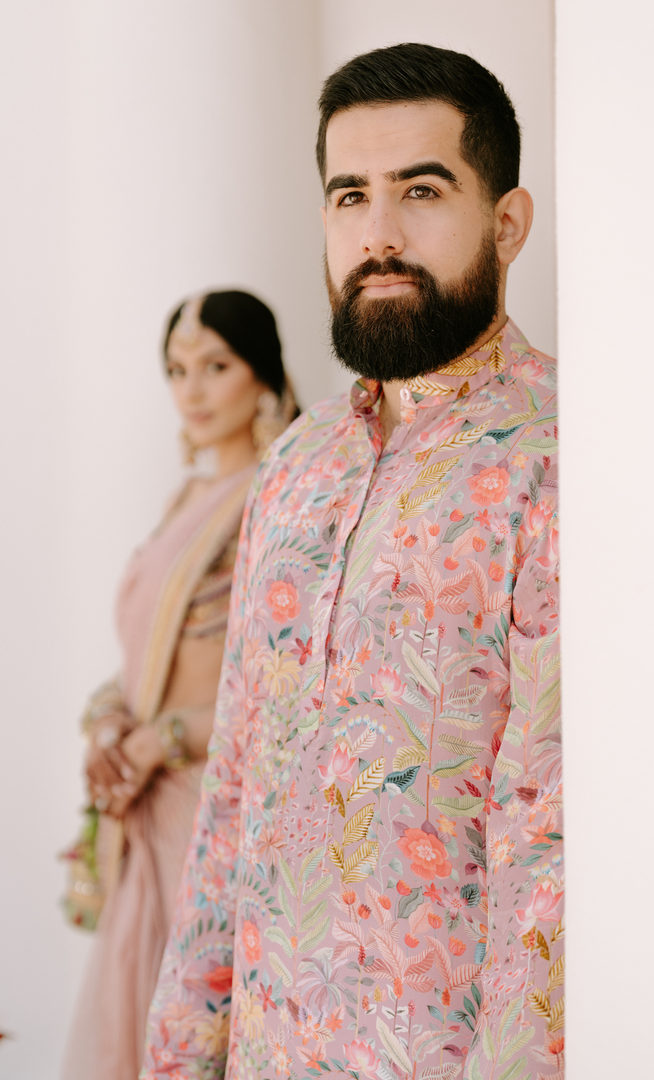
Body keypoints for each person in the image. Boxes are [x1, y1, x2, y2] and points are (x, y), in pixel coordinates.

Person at [142, 43, 562, 1080]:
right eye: (348, 196)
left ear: (507, 221)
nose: (378, 235)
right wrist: (181, 1054)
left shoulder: (564, 457)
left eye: (421, 190)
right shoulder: (296, 462)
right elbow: (233, 795)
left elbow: (550, 848)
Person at [60, 290, 296, 1080]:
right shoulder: (186, 500)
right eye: (175, 370)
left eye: (215, 367)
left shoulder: (279, 497)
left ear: (262, 376)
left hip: (208, 804)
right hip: (146, 806)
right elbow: (136, 667)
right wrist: (105, 728)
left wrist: (160, 740)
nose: (191, 390)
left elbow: (281, 675)